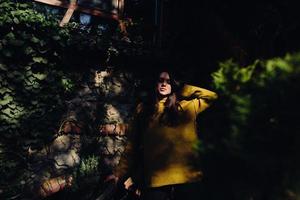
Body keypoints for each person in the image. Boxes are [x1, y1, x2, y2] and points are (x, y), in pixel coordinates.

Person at [108, 70, 218, 200]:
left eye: (169, 81)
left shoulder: (188, 107)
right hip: (156, 183)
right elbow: (132, 145)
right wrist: (118, 173)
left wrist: (182, 89)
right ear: (155, 83)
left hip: (188, 179)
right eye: (161, 80)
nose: (164, 84)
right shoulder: (143, 110)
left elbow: (211, 96)